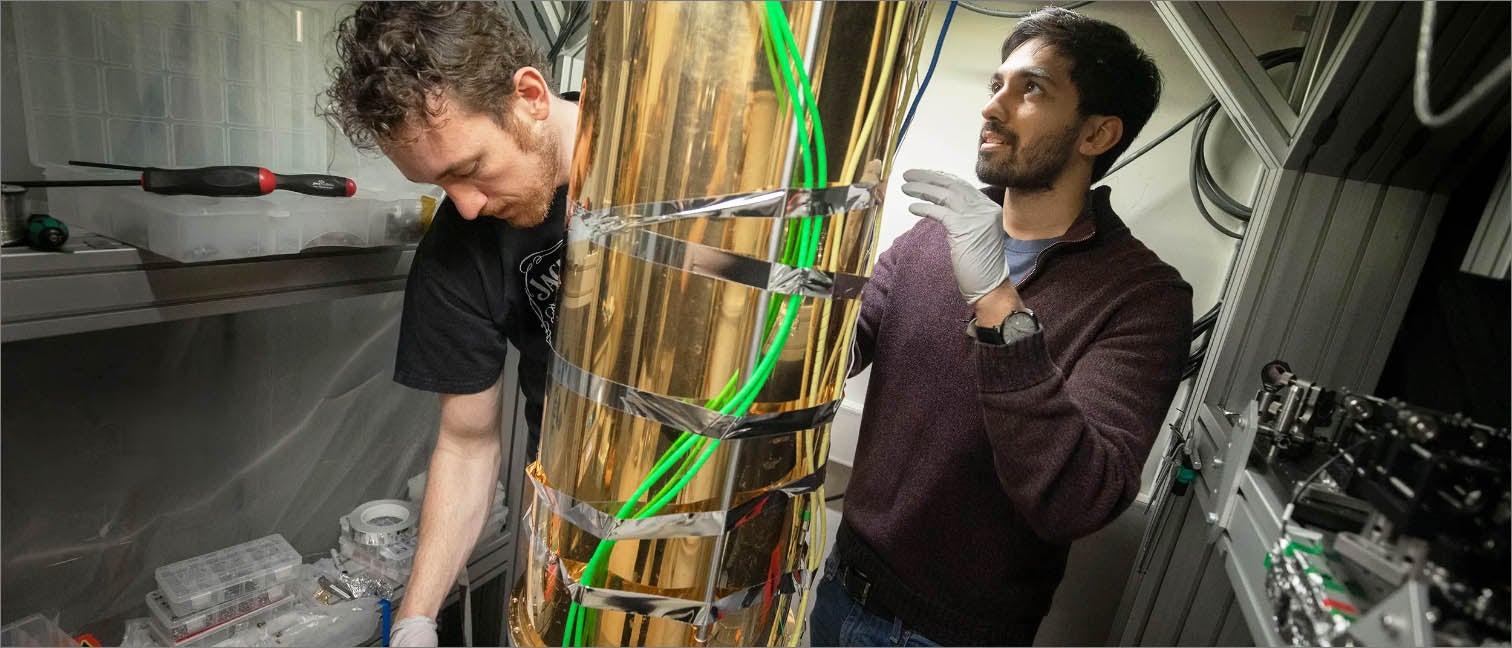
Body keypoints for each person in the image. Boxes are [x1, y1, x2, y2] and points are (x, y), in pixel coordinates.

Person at [810, 7, 1192, 646]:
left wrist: (995, 299)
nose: (993, 107)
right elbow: (828, 357)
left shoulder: (1143, 299)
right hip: (842, 588)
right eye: (997, 85)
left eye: (1031, 88)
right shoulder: (930, 240)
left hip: (956, 635)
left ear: (1096, 133)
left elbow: (1077, 499)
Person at [322, 3, 578, 645]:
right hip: (571, 520)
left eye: (467, 169)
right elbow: (467, 443)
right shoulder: (459, 247)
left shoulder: (666, 165)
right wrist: (416, 618)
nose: (464, 206)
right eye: (439, 184)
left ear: (530, 97)